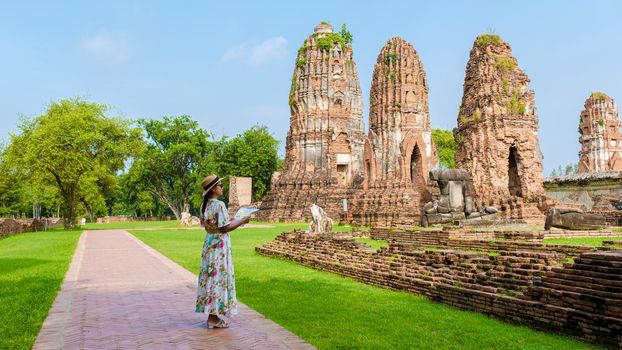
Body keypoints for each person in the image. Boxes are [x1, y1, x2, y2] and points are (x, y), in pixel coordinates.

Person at [195, 174, 250, 329]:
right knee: (218, 278)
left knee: (211, 278)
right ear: (213, 188)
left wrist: (236, 220)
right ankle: (212, 318)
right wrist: (242, 221)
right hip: (219, 246)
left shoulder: (204, 205)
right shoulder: (219, 205)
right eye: (220, 185)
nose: (222, 187)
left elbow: (211, 227)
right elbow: (225, 228)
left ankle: (212, 316)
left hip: (209, 243)